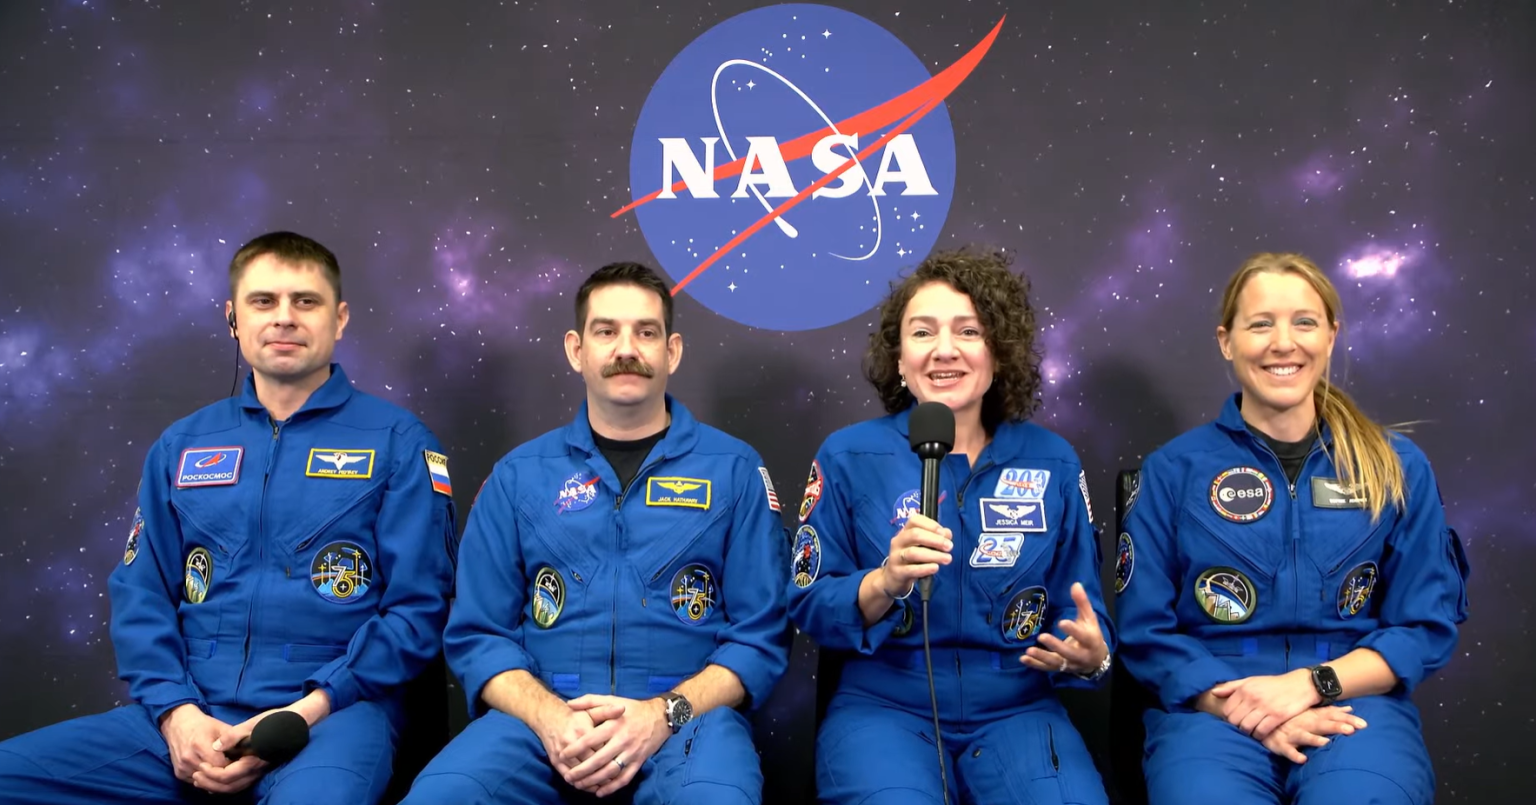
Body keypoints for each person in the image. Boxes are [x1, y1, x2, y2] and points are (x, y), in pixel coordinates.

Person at [0, 231, 459, 804]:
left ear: (339, 319)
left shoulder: (397, 442)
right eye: (263, 301)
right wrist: (176, 714)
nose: (284, 317)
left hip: (332, 714)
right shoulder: (184, 446)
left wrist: (306, 710)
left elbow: (418, 610)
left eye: (306, 301)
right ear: (233, 318)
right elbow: (142, 594)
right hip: (192, 713)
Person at [399, 262, 790, 805]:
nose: (626, 349)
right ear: (576, 349)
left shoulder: (734, 471)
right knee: (443, 796)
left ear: (672, 351)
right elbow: (478, 635)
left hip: (686, 724)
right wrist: (550, 717)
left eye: (646, 332)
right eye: (606, 331)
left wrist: (661, 714)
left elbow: (759, 637)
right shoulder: (519, 477)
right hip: (541, 723)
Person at [1115, 252, 1471, 804]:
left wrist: (1312, 685)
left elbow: (1423, 624)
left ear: (1330, 336)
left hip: (1353, 703)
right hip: (1215, 707)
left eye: (1304, 322)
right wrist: (1250, 708)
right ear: (1226, 341)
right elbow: (1145, 632)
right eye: (1261, 324)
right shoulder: (1173, 472)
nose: (1284, 343)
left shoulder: (1395, 468)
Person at [788, 247, 1113, 805]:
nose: (944, 350)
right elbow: (808, 602)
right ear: (899, 359)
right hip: (884, 706)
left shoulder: (1053, 462)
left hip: (1018, 708)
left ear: (998, 353)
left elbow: (1083, 613)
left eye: (968, 331)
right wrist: (883, 582)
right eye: (923, 332)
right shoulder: (848, 456)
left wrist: (1089, 656)